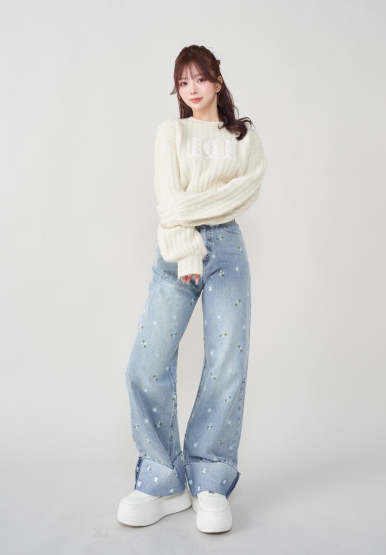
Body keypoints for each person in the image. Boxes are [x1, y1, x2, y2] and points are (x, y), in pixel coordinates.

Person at [117, 44, 267, 534]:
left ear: (218, 82)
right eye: (183, 82)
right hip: (175, 250)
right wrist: (185, 251)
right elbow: (169, 202)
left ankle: (210, 478)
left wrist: (188, 209)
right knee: (146, 364)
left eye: (200, 78)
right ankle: (164, 479)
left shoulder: (243, 137)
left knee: (226, 363)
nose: (192, 89)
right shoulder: (171, 133)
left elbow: (245, 191)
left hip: (227, 252)